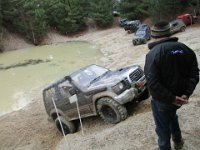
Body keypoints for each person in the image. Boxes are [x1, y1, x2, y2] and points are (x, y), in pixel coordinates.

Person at [144, 21, 199, 150]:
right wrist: (186, 94)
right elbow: (195, 74)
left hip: (163, 101)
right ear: (169, 33)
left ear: (154, 36)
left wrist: (172, 98)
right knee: (172, 117)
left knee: (162, 128)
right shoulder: (185, 48)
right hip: (181, 97)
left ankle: (165, 147)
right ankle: (178, 142)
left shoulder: (153, 54)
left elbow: (152, 84)